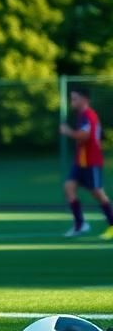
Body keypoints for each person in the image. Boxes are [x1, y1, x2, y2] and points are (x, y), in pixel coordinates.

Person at [60, 87, 113, 239]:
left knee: (97, 192)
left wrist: (67, 131)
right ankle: (80, 224)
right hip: (81, 161)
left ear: (84, 99)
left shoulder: (88, 115)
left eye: (75, 98)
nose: (72, 101)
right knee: (69, 187)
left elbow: (85, 136)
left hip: (91, 161)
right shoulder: (82, 115)